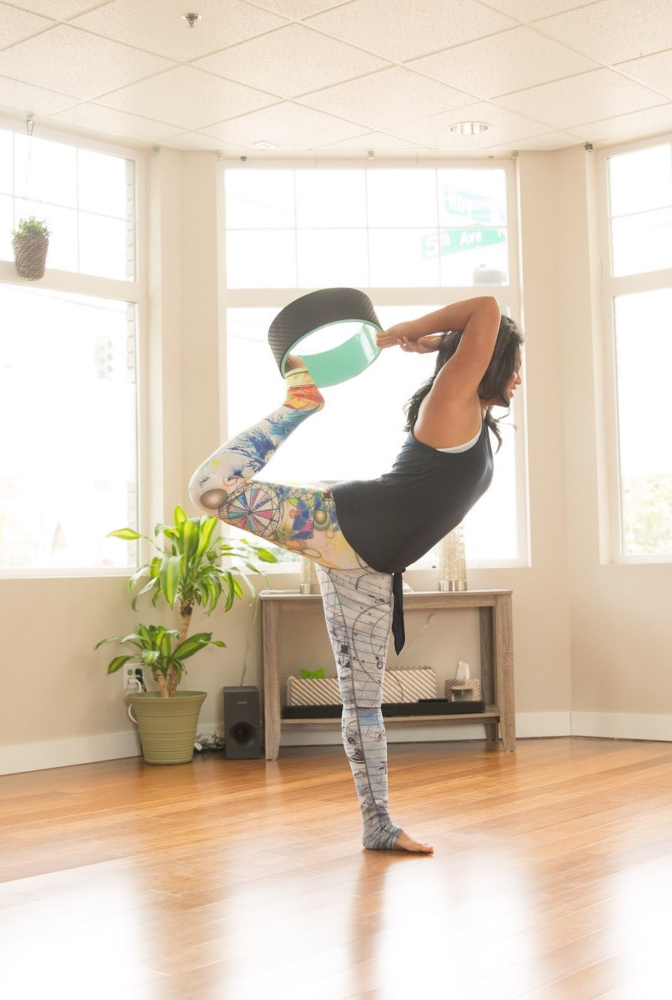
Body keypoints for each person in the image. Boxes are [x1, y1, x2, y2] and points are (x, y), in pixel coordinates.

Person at [189, 296, 523, 854]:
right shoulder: (451, 400)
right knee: (211, 490)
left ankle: (378, 826)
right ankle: (297, 404)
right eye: (514, 364)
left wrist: (435, 344)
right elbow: (486, 308)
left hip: (372, 567)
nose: (518, 378)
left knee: (363, 702)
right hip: (339, 524)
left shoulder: (476, 419)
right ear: (491, 360)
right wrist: (413, 330)